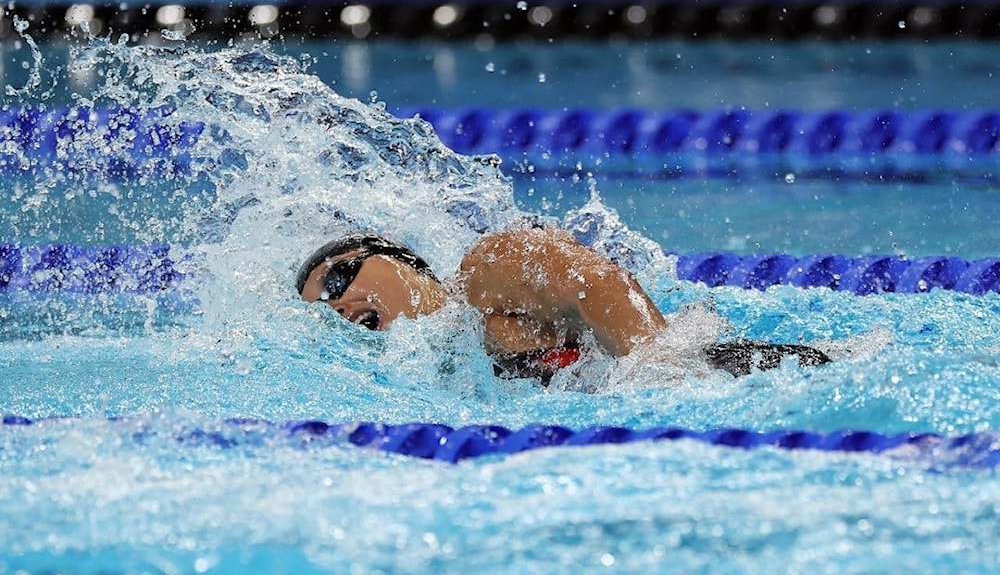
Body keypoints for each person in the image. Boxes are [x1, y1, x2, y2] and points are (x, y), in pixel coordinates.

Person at [295, 228, 830, 383]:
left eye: (340, 275)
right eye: (322, 307)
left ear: (398, 259)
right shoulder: (442, 372)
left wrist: (656, 361)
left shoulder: (483, 275)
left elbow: (596, 283)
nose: (338, 303)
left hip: (734, 375)